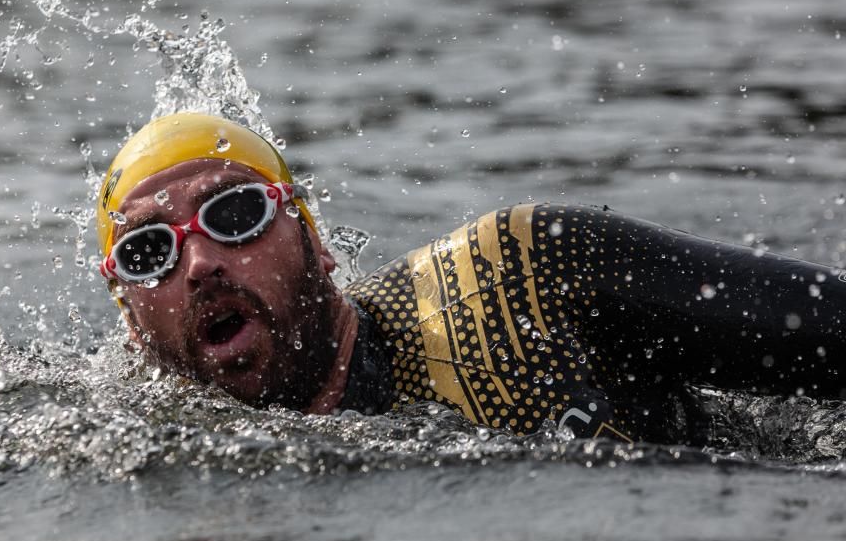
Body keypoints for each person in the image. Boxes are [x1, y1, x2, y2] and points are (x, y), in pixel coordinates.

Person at [96, 112, 846, 444]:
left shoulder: (522, 274)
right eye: (146, 253)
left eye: (234, 212)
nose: (199, 264)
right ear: (131, 324)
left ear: (315, 241)